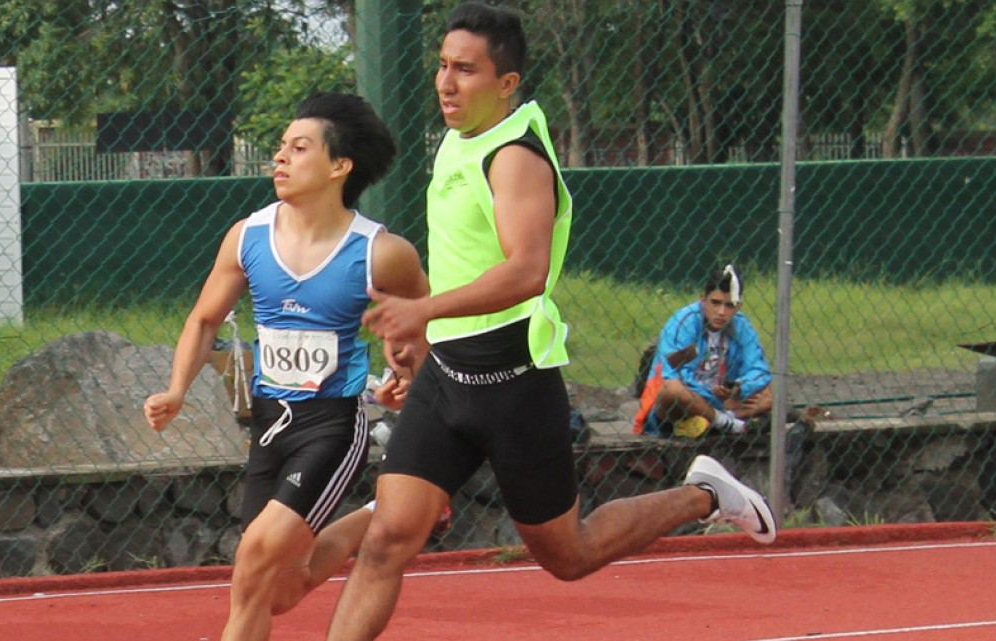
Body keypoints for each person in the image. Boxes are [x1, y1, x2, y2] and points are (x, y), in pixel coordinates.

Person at [324, 5, 777, 640]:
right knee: (385, 541)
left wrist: (422, 310)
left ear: (506, 83)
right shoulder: (458, 138)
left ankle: (704, 493)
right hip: (447, 381)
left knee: (569, 554)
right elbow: (464, 259)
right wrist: (424, 336)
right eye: (442, 66)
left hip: (513, 386)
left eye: (465, 70)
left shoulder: (515, 158)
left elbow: (527, 271)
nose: (446, 83)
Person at [143, 91, 429, 641]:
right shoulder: (248, 236)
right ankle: (379, 513)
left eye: (299, 148)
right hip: (269, 423)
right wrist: (177, 389)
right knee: (277, 591)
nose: (279, 157)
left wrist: (408, 375)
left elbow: (424, 323)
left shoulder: (381, 252)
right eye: (281, 147)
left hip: (332, 427)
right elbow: (205, 320)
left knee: (252, 556)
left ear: (339, 166)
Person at [634, 265, 774, 438]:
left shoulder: (742, 325)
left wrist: (738, 388)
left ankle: (713, 420)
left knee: (768, 392)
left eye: (729, 305)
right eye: (715, 303)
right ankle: (727, 422)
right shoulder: (684, 322)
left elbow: (759, 370)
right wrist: (716, 399)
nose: (721, 312)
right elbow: (675, 375)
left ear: (738, 306)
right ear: (703, 300)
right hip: (686, 401)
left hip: (722, 398)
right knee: (673, 389)